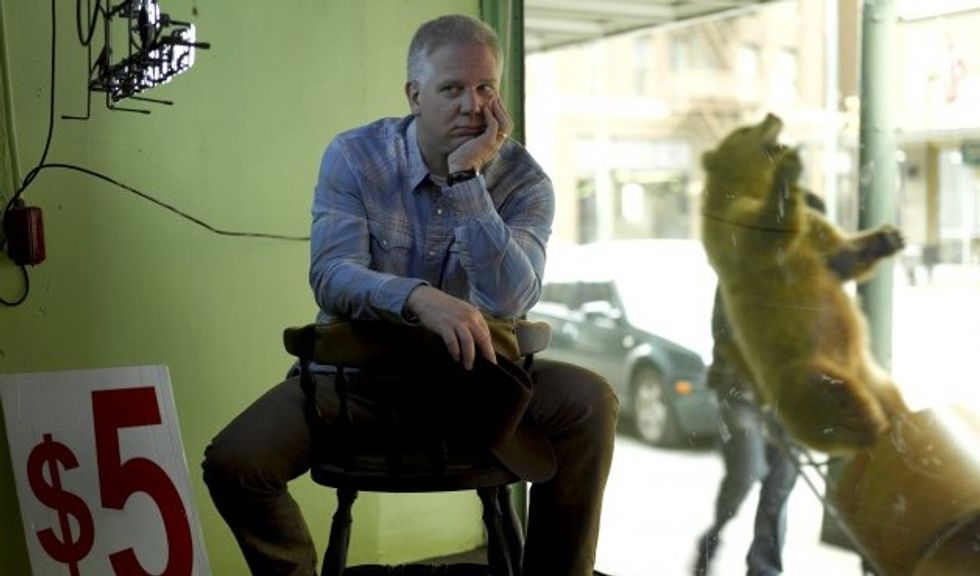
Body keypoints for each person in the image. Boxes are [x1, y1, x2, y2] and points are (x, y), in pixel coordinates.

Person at [202, 14, 618, 576]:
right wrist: (417, 298)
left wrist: (468, 181)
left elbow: (512, 298)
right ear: (414, 95)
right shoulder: (356, 156)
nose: (473, 106)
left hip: (482, 389)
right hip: (357, 385)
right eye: (452, 89)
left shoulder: (525, 182)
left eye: (486, 88)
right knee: (234, 461)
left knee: (591, 400)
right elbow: (331, 273)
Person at [693, 193, 826, 576]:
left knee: (779, 487)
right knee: (746, 471)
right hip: (742, 393)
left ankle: (764, 569)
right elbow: (726, 335)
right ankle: (711, 540)